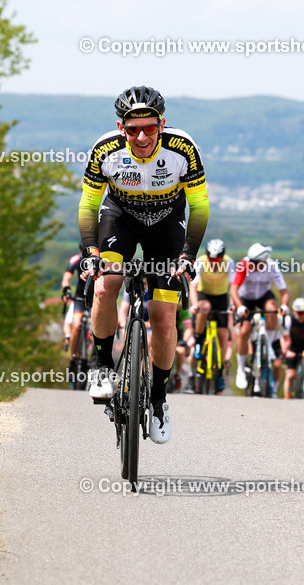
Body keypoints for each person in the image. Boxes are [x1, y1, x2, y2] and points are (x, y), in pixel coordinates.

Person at [79, 85, 209, 444]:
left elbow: (199, 207)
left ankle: (159, 398)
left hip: (167, 224)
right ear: (121, 127)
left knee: (164, 316)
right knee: (106, 284)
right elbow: (89, 205)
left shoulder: (182, 149)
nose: (141, 137)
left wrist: (188, 256)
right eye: (132, 129)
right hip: (120, 216)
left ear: (161, 125)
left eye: (150, 128)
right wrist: (91, 251)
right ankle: (104, 367)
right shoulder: (105, 150)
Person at [229, 243, 289, 394]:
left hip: (263, 296)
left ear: (264, 262)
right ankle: (241, 370)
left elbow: (284, 291)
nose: (252, 265)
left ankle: (267, 343)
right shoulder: (245, 264)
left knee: (272, 309)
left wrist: (285, 305)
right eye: (252, 262)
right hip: (245, 298)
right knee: (244, 331)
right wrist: (240, 306)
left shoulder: (272, 266)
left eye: (256, 263)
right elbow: (234, 289)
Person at [190, 238, 235, 392]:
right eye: (212, 258)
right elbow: (194, 286)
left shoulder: (229, 263)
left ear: (223, 257)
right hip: (204, 295)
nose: (214, 262)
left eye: (218, 259)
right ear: (207, 256)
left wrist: (234, 305)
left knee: (223, 334)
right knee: (205, 307)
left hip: (222, 297)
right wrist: (194, 304)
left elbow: (233, 286)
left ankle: (220, 372)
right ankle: (198, 341)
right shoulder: (201, 262)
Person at [60, 248, 88, 370]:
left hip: (95, 298)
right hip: (80, 298)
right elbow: (67, 277)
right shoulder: (77, 259)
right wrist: (66, 289)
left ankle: (95, 356)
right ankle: (73, 358)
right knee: (76, 326)